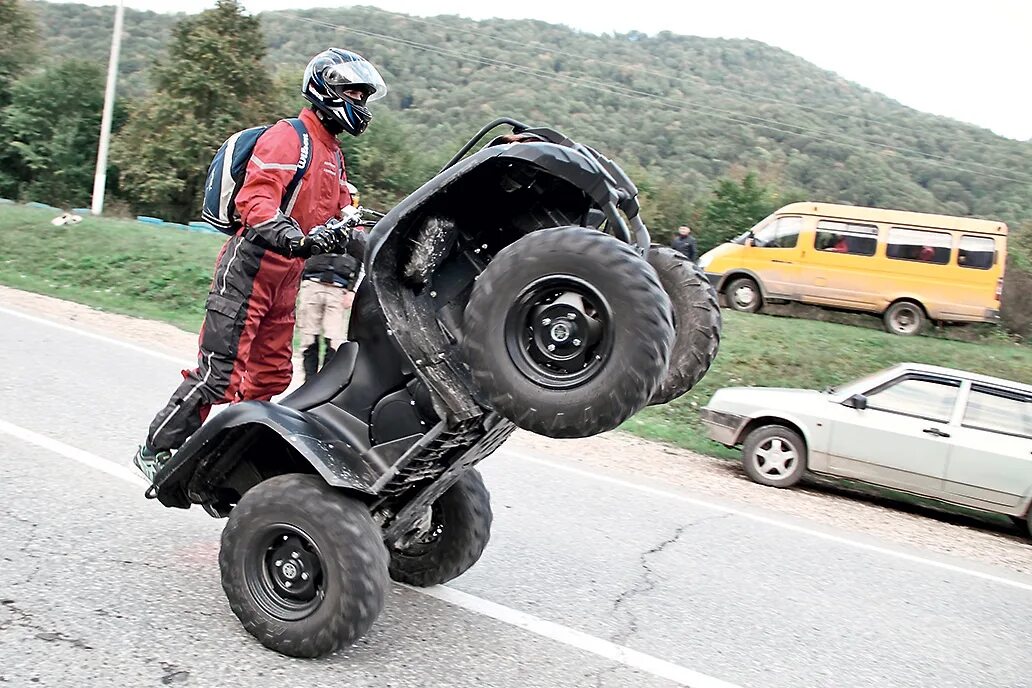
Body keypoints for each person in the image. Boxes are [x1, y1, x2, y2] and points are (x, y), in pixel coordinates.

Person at [133, 48, 388, 480]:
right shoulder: (291, 137)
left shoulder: (333, 153)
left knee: (270, 377)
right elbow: (256, 201)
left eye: (364, 96)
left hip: (288, 277)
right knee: (220, 373)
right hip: (250, 266)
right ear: (325, 90)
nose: (359, 103)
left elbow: (345, 218)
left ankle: (229, 457)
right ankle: (156, 447)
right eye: (353, 92)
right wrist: (297, 238)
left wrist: (385, 255)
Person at [298, 183, 363, 381]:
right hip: (313, 284)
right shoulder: (318, 223)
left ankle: (324, 384)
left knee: (333, 339)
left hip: (338, 289)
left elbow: (362, 264)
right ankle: (308, 383)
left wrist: (352, 292)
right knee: (309, 337)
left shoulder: (356, 232)